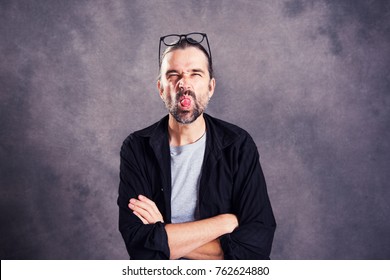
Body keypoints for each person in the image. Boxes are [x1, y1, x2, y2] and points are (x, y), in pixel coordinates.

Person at [117, 32, 276, 260]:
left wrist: (162, 232)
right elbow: (140, 247)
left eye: (195, 74)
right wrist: (225, 223)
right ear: (161, 88)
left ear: (211, 87)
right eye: (173, 75)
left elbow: (255, 249)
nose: (184, 83)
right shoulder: (137, 148)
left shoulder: (238, 145)